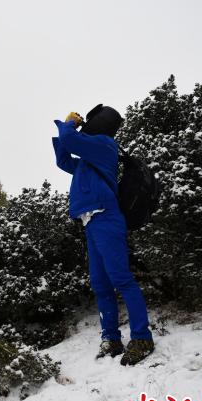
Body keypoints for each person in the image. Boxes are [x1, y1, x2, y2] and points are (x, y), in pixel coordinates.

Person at [52, 104, 154, 366]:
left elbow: (70, 139)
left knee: (121, 279)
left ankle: (142, 338)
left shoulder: (104, 145)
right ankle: (112, 338)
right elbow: (63, 160)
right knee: (100, 284)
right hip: (92, 222)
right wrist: (65, 130)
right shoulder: (89, 161)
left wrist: (69, 124)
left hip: (107, 218)